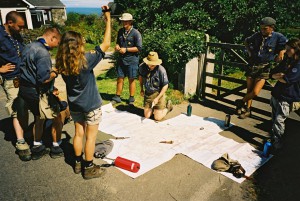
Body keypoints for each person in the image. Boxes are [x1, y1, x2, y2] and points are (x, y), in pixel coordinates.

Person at [56, 5, 111, 180]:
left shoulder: (61, 63)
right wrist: (108, 20)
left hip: (75, 105)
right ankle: (89, 168)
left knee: (78, 133)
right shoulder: (86, 60)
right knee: (91, 137)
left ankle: (78, 163)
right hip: (91, 105)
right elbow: (106, 44)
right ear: (77, 46)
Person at [19, 27, 63, 160]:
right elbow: (43, 78)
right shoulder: (43, 52)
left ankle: (37, 146)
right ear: (52, 38)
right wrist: (55, 72)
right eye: (58, 42)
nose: (57, 46)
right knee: (57, 116)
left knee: (38, 118)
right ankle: (56, 147)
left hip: (25, 89)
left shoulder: (28, 46)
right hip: (37, 91)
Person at [235, 17, 287, 119]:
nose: (262, 30)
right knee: (249, 90)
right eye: (261, 28)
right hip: (252, 65)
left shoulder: (278, 37)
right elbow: (246, 41)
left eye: (265, 28)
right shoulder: (257, 35)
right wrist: (249, 51)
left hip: (264, 68)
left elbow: (289, 45)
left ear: (272, 28)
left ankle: (240, 102)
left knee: (255, 93)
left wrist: (282, 51)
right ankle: (247, 110)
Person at [0, 11, 30, 161]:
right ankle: (20, 142)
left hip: (25, 77)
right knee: (16, 109)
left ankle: (26, 133)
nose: (22, 29)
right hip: (12, 79)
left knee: (26, 106)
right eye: (20, 26)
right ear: (10, 23)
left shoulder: (16, 35)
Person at [269, 38, 300, 150]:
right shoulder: (287, 59)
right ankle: (274, 139)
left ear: (296, 49)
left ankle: (278, 143)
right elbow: (272, 72)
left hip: (288, 97)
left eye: (288, 49)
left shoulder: (298, 64)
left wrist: (280, 76)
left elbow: (288, 79)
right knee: (274, 119)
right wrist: (277, 75)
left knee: (279, 120)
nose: (286, 51)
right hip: (277, 94)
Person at [111, 13, 142, 105]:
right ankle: (117, 97)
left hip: (132, 60)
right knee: (120, 78)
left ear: (131, 22)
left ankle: (131, 99)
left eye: (126, 21)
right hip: (121, 60)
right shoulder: (120, 31)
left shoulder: (136, 33)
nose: (124, 23)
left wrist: (126, 49)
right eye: (123, 21)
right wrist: (117, 47)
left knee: (131, 79)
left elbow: (139, 48)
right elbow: (117, 43)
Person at [138, 52, 173, 121]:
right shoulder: (142, 67)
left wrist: (158, 98)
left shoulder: (161, 70)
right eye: (149, 64)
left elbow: (165, 85)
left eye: (153, 65)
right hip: (148, 93)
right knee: (147, 116)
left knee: (157, 118)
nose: (150, 66)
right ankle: (153, 109)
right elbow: (140, 78)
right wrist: (141, 89)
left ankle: (168, 107)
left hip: (158, 94)